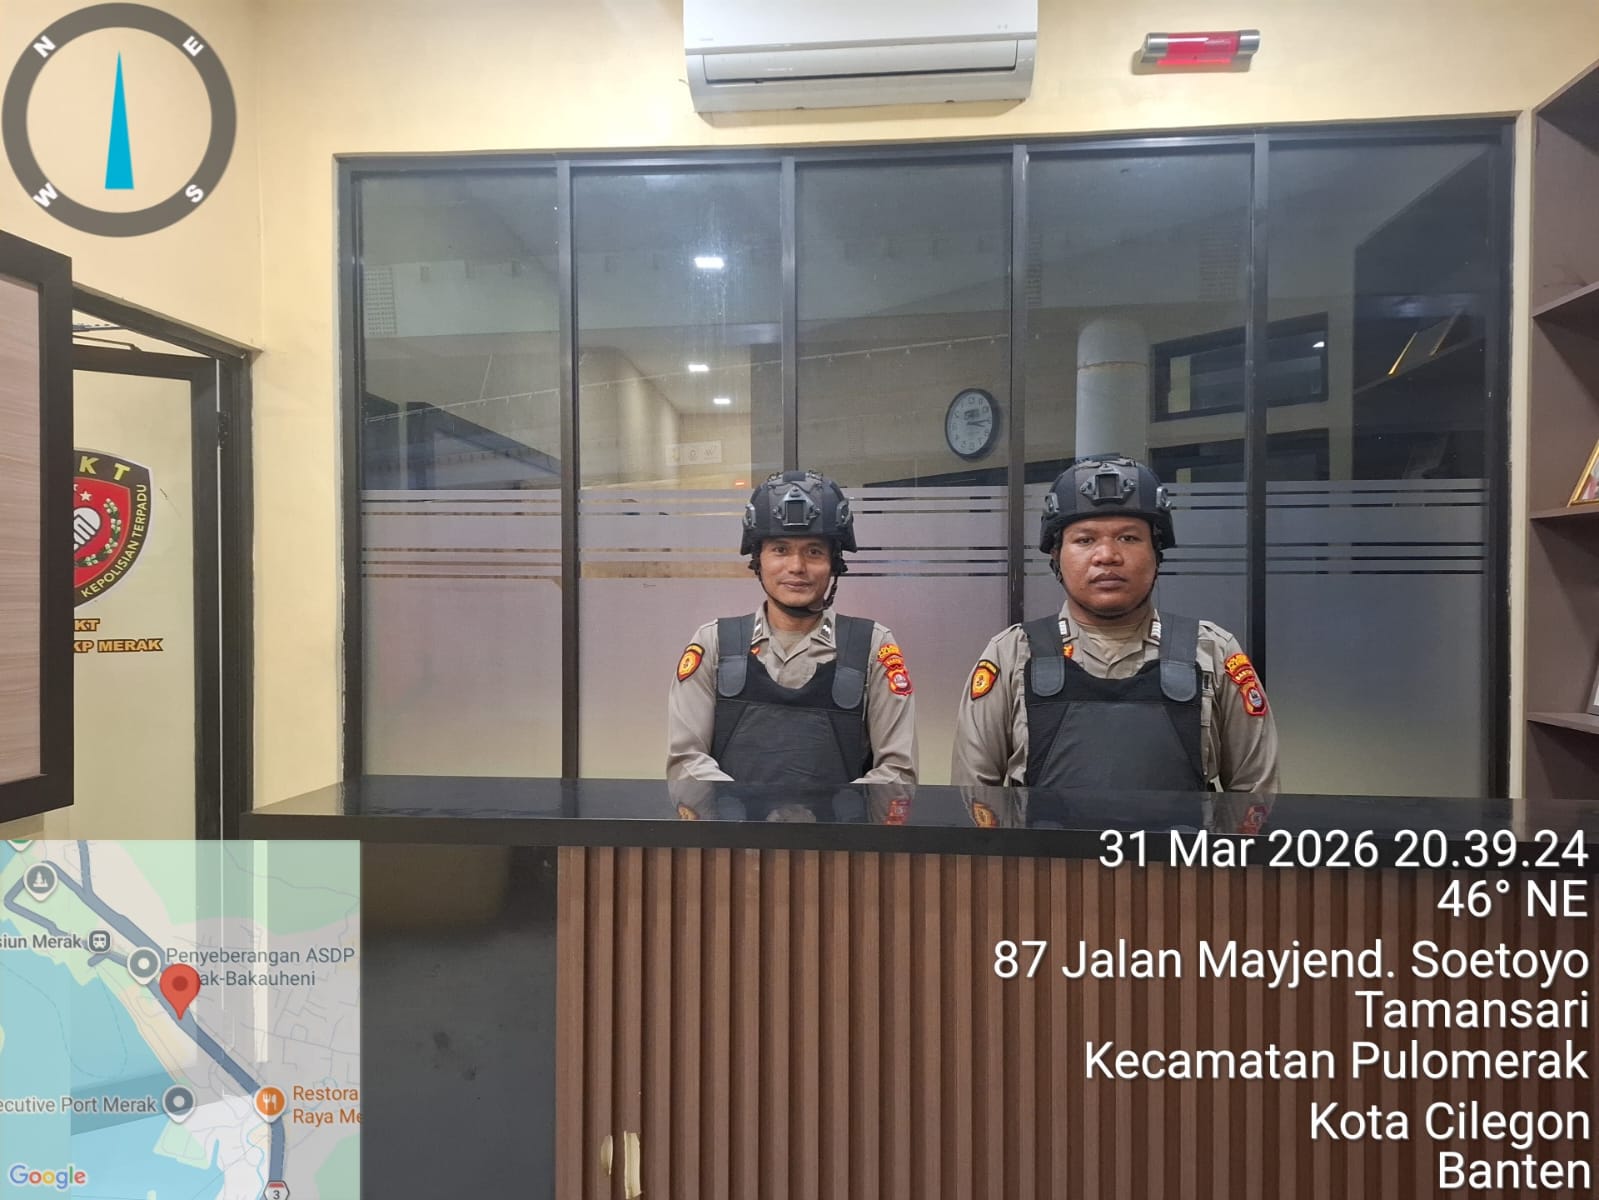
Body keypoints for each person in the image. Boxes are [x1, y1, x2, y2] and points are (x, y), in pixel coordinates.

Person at [951, 454, 1278, 793]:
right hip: (1041, 833)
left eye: (1128, 538)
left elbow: (1256, 799)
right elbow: (973, 798)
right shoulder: (1012, 654)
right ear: (1056, 556)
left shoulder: (1212, 652)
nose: (1107, 555)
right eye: (1085, 540)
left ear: (1157, 552)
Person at [667, 469, 918, 786]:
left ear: (834, 563)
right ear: (758, 559)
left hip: (842, 821)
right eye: (780, 549)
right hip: (733, 820)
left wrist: (832, 812)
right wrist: (745, 809)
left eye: (814, 551)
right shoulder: (715, 644)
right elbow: (687, 762)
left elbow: (897, 771)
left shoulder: (871, 647)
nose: (797, 567)